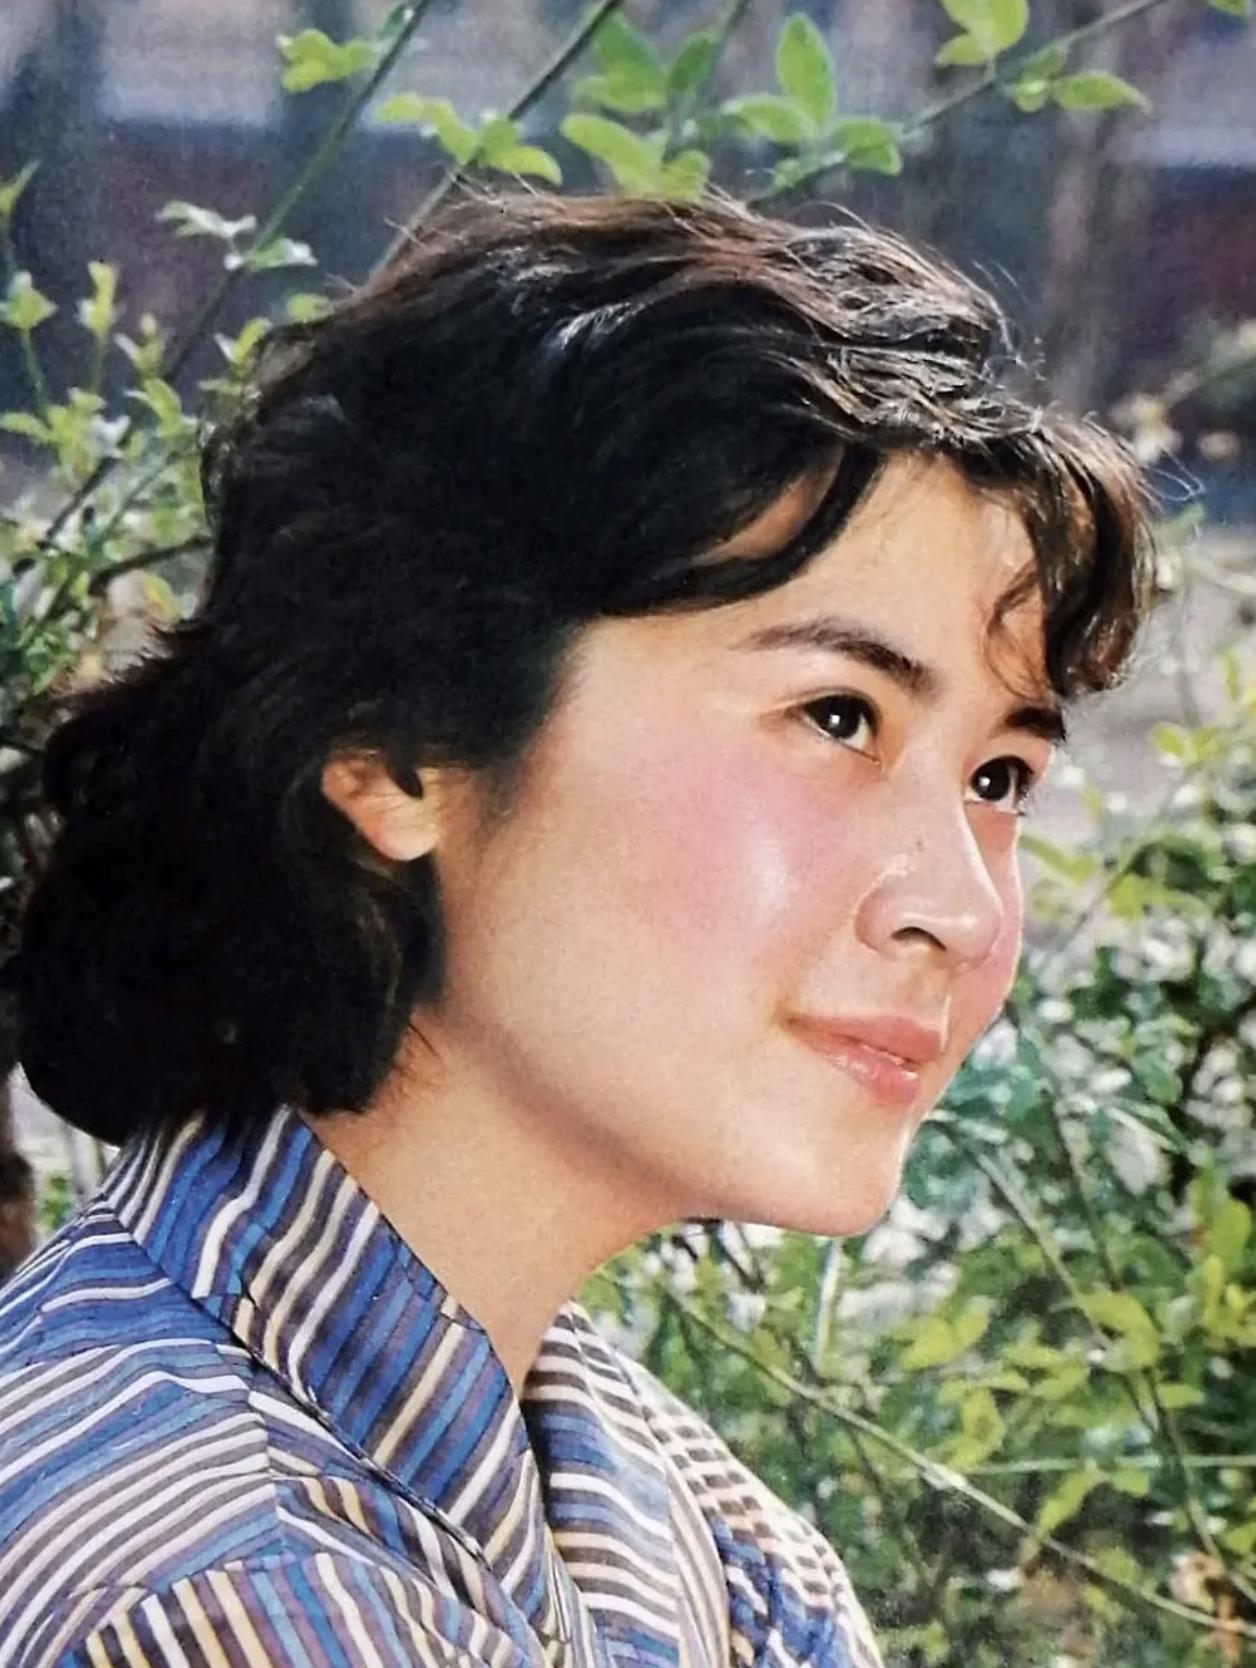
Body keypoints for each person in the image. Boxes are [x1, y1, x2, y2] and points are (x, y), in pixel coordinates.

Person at [0, 191, 1151, 1668]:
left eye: (1000, 780)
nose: (962, 908)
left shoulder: (706, 1546)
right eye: (837, 715)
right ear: (397, 752)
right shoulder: (237, 1597)